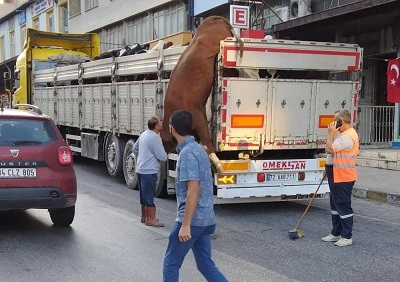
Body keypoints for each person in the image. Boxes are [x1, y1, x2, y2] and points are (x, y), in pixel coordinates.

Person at [163, 110, 227, 282]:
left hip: (193, 221)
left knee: (171, 263)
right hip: (206, 220)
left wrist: (185, 225)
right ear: (190, 128)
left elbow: (194, 189)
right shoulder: (199, 149)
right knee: (205, 265)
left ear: (172, 129)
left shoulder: (188, 153)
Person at [322, 109, 359, 247]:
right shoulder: (343, 134)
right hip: (336, 173)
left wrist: (330, 134)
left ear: (341, 121)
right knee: (335, 205)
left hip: (343, 175)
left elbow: (330, 149)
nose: (333, 123)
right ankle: (336, 233)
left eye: (335, 120)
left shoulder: (347, 136)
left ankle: (346, 236)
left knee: (343, 205)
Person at [133, 116, 167, 227]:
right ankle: (151, 219)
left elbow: (134, 148)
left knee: (144, 194)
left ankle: (144, 216)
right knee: (149, 194)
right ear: (156, 126)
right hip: (149, 170)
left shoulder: (143, 134)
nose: (162, 123)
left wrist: (144, 156)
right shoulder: (155, 138)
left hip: (141, 169)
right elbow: (162, 157)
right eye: (160, 122)